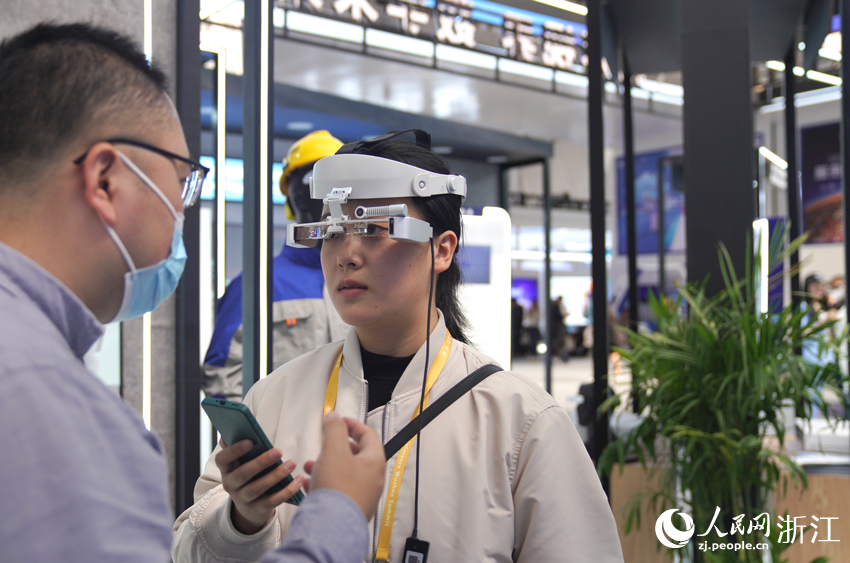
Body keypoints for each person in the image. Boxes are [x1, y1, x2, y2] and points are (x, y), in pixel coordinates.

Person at [0, 22, 384, 563]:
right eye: (181, 182)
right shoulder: (51, 421)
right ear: (105, 180)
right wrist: (338, 514)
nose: (180, 211)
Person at [173, 130, 624, 563]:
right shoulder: (275, 397)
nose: (346, 254)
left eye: (374, 228)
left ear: (442, 250)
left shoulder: (520, 421)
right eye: (332, 231)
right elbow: (187, 549)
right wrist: (242, 521)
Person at [204, 130, 348, 401]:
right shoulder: (258, 285)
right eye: (312, 185)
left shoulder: (364, 278)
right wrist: (261, 427)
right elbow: (222, 378)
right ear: (291, 197)